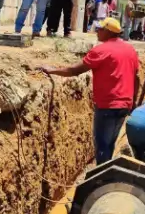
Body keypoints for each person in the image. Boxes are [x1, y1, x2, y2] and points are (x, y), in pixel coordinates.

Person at [39, 17, 139, 163]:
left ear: (108, 32)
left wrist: (52, 70)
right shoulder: (130, 49)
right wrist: (133, 101)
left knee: (102, 146)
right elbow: (136, 78)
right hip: (125, 105)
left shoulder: (101, 50)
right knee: (109, 143)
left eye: (100, 29)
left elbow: (74, 71)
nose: (97, 31)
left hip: (107, 106)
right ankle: (105, 175)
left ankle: (101, 180)